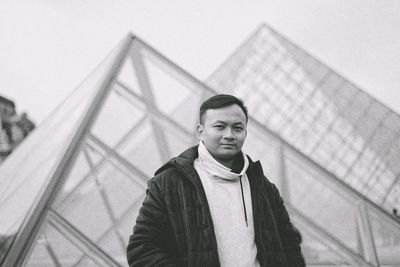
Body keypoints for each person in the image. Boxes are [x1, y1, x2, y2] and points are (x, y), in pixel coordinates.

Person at [126, 94, 305, 266]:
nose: (229, 135)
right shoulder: (168, 184)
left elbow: (289, 243)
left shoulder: (263, 187)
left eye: (237, 128)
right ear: (200, 131)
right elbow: (141, 248)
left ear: (245, 133)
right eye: (220, 126)